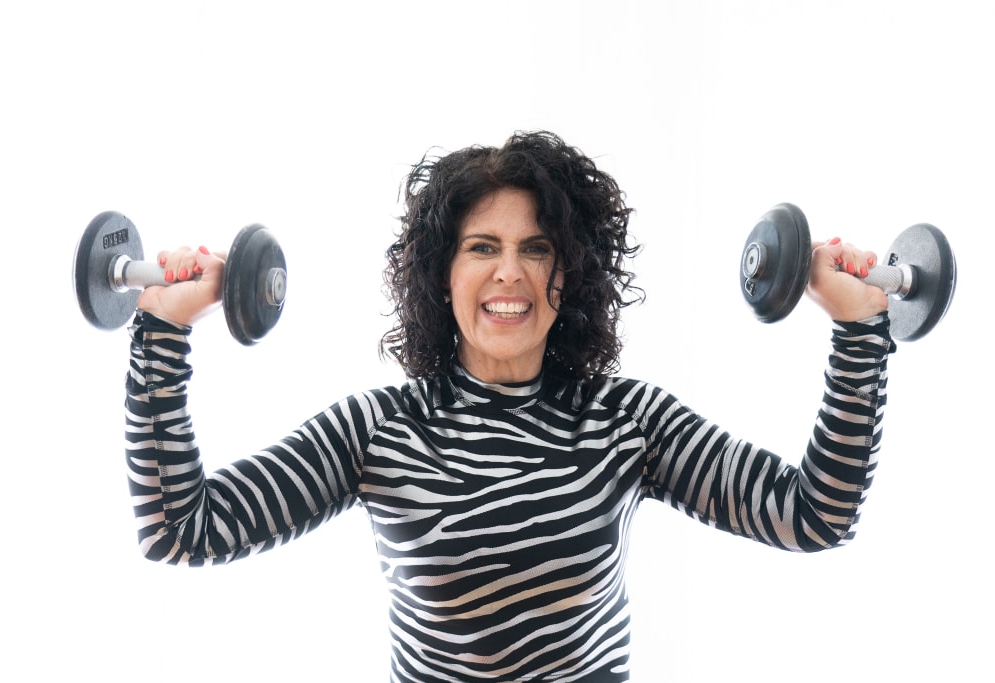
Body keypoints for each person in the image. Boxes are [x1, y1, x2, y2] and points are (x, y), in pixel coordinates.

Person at [126, 131, 893, 682]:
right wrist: (161, 331)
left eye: (536, 247)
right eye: (482, 246)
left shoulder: (626, 421)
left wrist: (860, 331)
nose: (509, 272)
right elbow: (180, 529)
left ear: (571, 273)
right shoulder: (378, 431)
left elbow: (812, 515)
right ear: (441, 273)